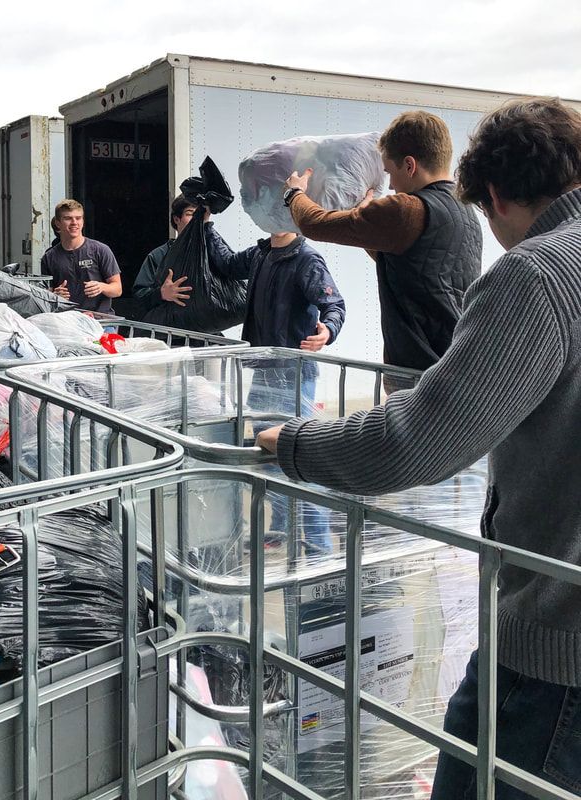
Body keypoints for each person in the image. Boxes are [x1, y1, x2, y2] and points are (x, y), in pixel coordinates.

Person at [258, 97, 581, 798]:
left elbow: (414, 443)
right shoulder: (454, 221)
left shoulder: (539, 274)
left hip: (557, 657)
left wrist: (294, 443)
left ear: (495, 194)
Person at [282, 111, 483, 373]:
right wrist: (366, 224)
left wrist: (294, 193)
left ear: (410, 165)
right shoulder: (464, 209)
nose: (390, 186)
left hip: (417, 374)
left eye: (390, 172)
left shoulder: (406, 208)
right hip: (456, 361)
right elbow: (414, 265)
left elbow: (314, 224)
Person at [206, 224, 346, 556]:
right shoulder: (260, 254)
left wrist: (328, 331)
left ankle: (319, 547)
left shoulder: (307, 260)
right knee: (270, 457)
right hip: (265, 372)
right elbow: (226, 264)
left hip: (294, 376)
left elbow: (333, 304)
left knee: (297, 458)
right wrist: (207, 224)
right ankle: (286, 529)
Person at [41, 199, 122, 314]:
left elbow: (118, 289)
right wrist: (55, 296)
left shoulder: (100, 250)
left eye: (78, 218)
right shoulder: (49, 257)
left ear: (83, 221)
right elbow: (44, 297)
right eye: (68, 218)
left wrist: (101, 287)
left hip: (100, 322)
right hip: (66, 321)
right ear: (58, 223)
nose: (74, 222)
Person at [132, 194, 195, 317]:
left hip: (206, 331)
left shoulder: (213, 253)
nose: (195, 219)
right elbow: (139, 297)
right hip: (172, 332)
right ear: (176, 219)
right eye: (190, 213)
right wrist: (161, 293)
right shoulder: (158, 256)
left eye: (200, 214)